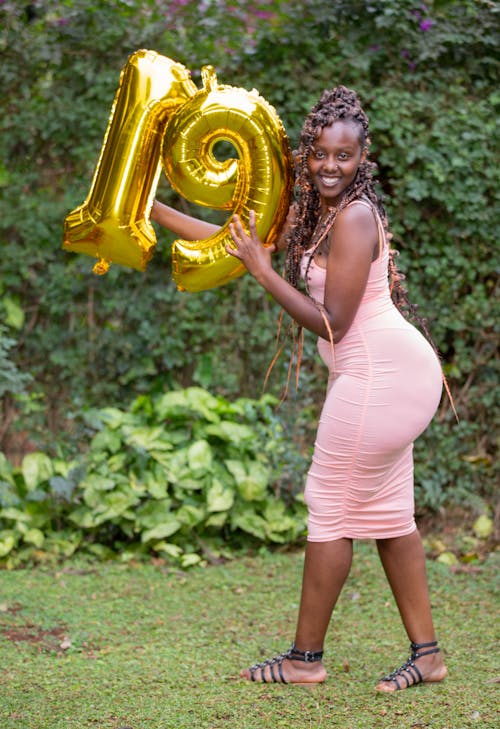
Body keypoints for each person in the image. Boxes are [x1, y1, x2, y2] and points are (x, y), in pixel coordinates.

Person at [151, 85, 448, 691]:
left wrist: (263, 274)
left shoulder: (357, 217)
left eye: (344, 156)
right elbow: (230, 236)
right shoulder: (316, 211)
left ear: (363, 157)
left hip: (379, 375)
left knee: (329, 504)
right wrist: (149, 208)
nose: (330, 166)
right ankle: (429, 655)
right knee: (389, 516)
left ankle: (303, 660)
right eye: (319, 154)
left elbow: (333, 323)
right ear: (305, 154)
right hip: (381, 374)